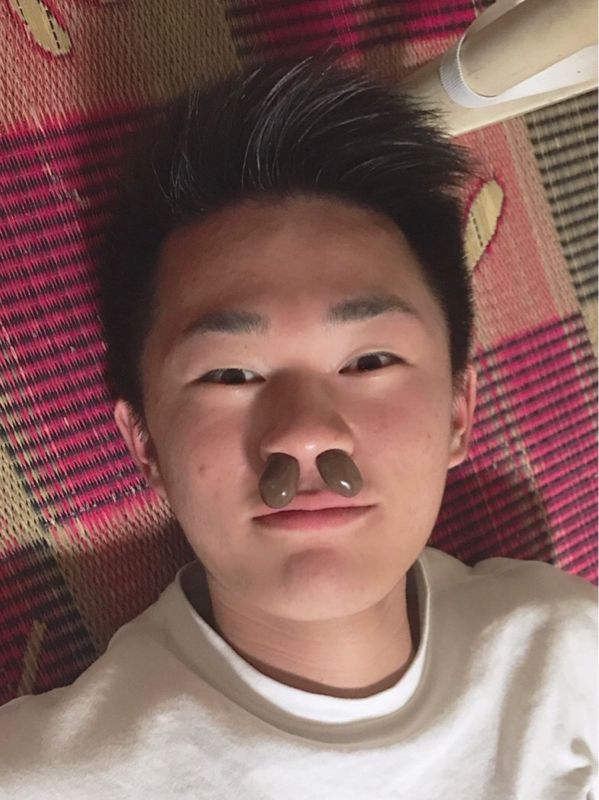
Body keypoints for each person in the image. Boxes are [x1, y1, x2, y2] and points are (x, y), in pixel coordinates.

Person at [0, 56, 596, 800]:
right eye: (229, 375)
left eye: (370, 361)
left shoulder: (569, 659)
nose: (307, 435)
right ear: (144, 442)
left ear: (457, 412)